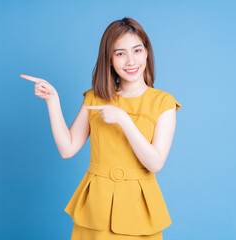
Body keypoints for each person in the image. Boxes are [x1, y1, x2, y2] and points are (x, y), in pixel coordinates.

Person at [21, 17, 182, 240]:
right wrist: (53, 101)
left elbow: (155, 163)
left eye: (136, 50)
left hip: (138, 210)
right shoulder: (95, 98)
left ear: (146, 52)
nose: (130, 61)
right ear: (109, 59)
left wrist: (124, 120)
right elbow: (67, 149)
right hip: (95, 209)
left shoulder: (163, 102)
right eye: (120, 53)